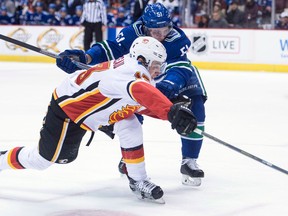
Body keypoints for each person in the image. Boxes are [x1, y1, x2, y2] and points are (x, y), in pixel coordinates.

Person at [0, 36, 197, 203]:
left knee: (130, 124)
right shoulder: (130, 73)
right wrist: (170, 111)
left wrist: (171, 113)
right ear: (142, 60)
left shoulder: (137, 71)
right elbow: (138, 91)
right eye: (156, 65)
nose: (159, 70)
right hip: (69, 110)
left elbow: (142, 104)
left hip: (97, 108)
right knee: (42, 160)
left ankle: (138, 180)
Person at [56, 3, 207, 187]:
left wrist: (170, 84)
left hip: (172, 76)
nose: (161, 35)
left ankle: (189, 160)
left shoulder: (177, 38)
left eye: (164, 29)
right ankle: (129, 158)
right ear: (145, 27)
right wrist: (86, 58)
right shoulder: (132, 32)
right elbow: (111, 49)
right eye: (155, 31)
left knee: (195, 105)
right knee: (131, 111)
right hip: (144, 74)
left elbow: (181, 67)